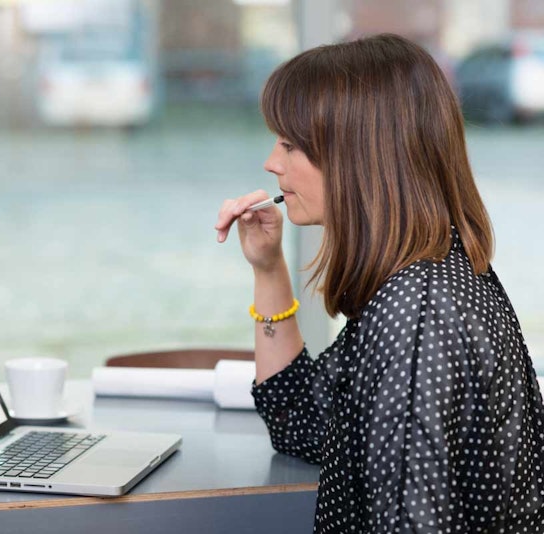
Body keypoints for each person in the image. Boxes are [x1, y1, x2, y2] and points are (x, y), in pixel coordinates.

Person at [214, 33, 544, 533]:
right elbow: (303, 422)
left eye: (289, 144)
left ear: (356, 155)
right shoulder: (426, 278)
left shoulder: (415, 317)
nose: (272, 162)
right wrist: (268, 268)